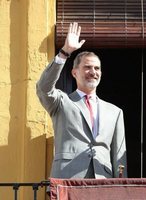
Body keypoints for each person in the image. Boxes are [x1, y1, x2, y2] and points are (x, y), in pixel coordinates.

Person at [36, 22, 127, 179]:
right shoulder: (61, 102)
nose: (93, 72)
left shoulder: (115, 112)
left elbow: (119, 156)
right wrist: (64, 53)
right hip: (68, 180)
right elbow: (43, 87)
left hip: (102, 182)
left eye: (97, 68)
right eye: (87, 67)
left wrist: (121, 187)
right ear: (74, 72)